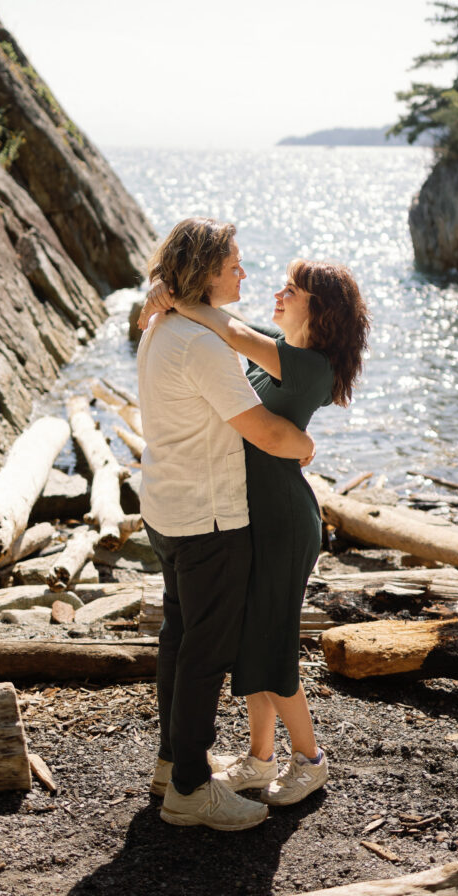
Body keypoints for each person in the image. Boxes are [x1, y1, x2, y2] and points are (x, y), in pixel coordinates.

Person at [139, 256, 370, 807]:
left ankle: (309, 760)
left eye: (294, 291)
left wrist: (175, 297)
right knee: (251, 642)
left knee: (271, 644)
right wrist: (159, 293)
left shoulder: (309, 364)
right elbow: (227, 321)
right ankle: (259, 759)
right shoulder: (281, 345)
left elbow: (226, 326)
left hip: (282, 521)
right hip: (254, 512)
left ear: (322, 312)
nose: (279, 293)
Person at [136, 217, 315, 831]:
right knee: (203, 656)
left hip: (166, 507)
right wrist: (302, 444)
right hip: (207, 519)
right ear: (206, 272)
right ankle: (189, 789)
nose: (243, 272)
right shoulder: (202, 344)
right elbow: (264, 432)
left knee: (179, 640)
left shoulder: (162, 324)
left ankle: (172, 763)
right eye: (232, 263)